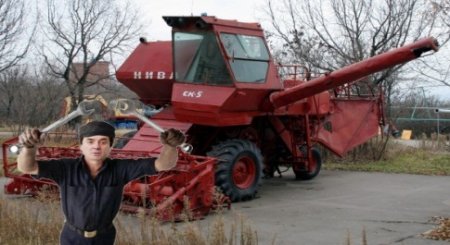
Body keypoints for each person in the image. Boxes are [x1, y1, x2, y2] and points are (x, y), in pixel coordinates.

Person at [17, 120, 185, 245]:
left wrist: (170, 147)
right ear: (80, 146)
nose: (96, 146)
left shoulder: (120, 169)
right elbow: (28, 167)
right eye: (90, 141)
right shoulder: (66, 168)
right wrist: (29, 148)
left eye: (103, 141)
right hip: (72, 238)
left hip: (104, 238)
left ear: (110, 146)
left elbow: (163, 164)